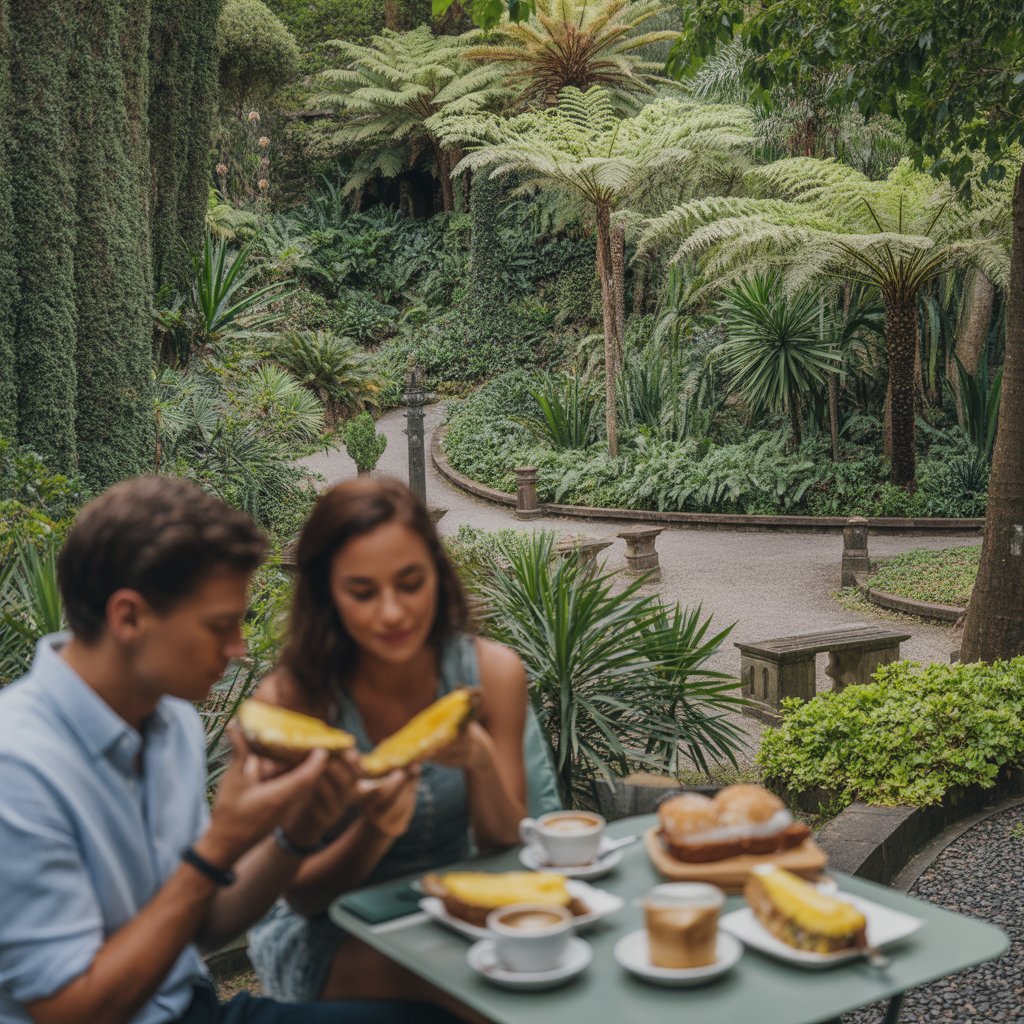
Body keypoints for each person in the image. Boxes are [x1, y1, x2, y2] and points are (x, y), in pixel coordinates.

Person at [0, 477, 455, 1024]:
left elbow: (208, 924)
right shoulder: (18, 766)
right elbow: (68, 1011)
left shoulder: (172, 722)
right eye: (220, 626)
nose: (239, 650)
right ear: (128, 618)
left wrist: (298, 831)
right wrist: (221, 844)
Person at [248, 478, 555, 1006]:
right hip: (331, 931)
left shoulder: (491, 672)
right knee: (472, 991)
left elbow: (505, 846)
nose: (392, 613)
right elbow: (302, 896)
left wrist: (480, 761)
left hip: (457, 912)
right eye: (362, 592)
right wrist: (372, 830)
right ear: (326, 593)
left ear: (438, 576)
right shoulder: (293, 702)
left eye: (411, 583)